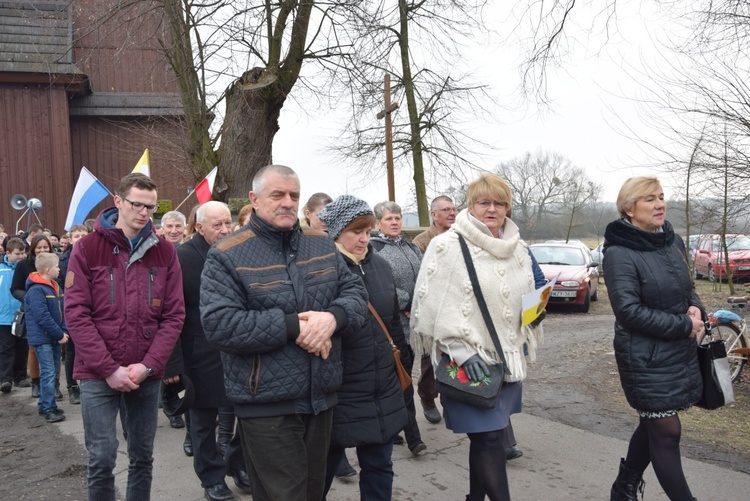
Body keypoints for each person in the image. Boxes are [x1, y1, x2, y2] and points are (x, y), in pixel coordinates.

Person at [200, 164, 368, 501]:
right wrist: (295, 326)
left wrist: (332, 319)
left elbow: (356, 295)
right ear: (255, 199)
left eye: (294, 195)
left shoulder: (320, 243)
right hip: (265, 404)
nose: (287, 202)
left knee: (313, 493)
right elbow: (221, 325)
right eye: (278, 194)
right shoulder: (226, 254)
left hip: (320, 398)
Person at [410, 174, 544, 501]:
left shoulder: (519, 248)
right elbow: (430, 308)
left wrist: (533, 313)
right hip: (466, 363)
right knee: (489, 440)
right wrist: (461, 351)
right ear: (470, 206)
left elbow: (530, 294)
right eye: (483, 202)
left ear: (508, 209)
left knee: (491, 439)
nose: (491, 209)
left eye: (499, 203)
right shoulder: (447, 246)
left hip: (506, 359)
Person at [64, 173, 185, 501]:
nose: (144, 212)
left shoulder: (164, 252)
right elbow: (76, 313)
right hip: (96, 372)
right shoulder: (87, 248)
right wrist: (108, 369)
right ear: (118, 202)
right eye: (137, 204)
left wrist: (148, 366)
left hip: (146, 372)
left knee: (142, 457)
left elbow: (174, 316)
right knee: (101, 458)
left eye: (151, 206)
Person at [603, 176, 703, 501]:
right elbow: (628, 311)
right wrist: (683, 325)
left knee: (652, 426)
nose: (660, 204)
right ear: (629, 209)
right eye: (650, 199)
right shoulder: (619, 253)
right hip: (644, 357)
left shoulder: (673, 241)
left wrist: (696, 311)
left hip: (678, 353)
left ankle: (623, 487)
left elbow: (689, 289)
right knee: (667, 431)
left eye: (661, 197)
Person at [318, 195, 408, 500]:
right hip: (340, 386)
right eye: (356, 231)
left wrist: (402, 366)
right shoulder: (320, 270)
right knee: (322, 469)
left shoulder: (380, 266)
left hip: (380, 385)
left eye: (368, 230)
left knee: (380, 466)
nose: (363, 238)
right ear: (335, 232)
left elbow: (392, 321)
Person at [163, 201, 251, 501]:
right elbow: (170, 312)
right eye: (218, 225)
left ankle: (238, 465)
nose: (225, 230)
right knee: (202, 422)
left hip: (240, 350)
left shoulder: (240, 252)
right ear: (199, 227)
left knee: (249, 415)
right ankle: (212, 478)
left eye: (228, 223)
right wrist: (172, 363)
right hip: (199, 354)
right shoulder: (182, 259)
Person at [370, 200, 426, 455]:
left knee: (398, 379)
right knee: (403, 382)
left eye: (398, 218)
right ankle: (414, 438)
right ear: (378, 222)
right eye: (389, 219)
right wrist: (406, 302)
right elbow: (382, 286)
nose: (394, 222)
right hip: (392, 326)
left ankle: (390, 427)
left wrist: (421, 303)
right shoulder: (375, 250)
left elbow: (426, 277)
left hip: (415, 325)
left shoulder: (411, 247)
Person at [411, 195, 456, 424]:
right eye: (446, 209)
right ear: (434, 214)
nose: (451, 213)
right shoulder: (422, 242)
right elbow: (419, 280)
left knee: (454, 355)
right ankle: (427, 396)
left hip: (456, 306)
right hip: (433, 307)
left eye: (453, 209)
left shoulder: (461, 238)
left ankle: (452, 401)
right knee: (430, 357)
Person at [24, 252, 69, 423]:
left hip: (55, 337)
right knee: (49, 372)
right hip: (43, 338)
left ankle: (46, 403)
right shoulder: (36, 290)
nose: (60, 269)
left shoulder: (55, 287)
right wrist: (59, 334)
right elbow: (42, 316)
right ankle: (48, 407)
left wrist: (63, 331)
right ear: (48, 270)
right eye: (57, 267)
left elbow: (63, 312)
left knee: (53, 371)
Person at [11, 234, 56, 399]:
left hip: (53, 310)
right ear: (33, 248)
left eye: (46, 247)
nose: (42, 250)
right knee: (33, 347)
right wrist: (31, 297)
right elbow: (15, 288)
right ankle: (36, 383)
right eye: (39, 247)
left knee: (55, 347)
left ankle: (55, 385)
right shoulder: (23, 265)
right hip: (32, 311)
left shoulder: (55, 263)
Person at [57, 224, 89, 405]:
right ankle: (72, 386)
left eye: (83, 235)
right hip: (71, 310)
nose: (80, 238)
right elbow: (61, 288)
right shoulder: (63, 261)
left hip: (91, 310)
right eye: (77, 236)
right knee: (72, 351)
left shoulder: (93, 255)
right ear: (70, 239)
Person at [0, 237, 28, 392]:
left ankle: (20, 377)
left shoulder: (23, 268)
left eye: (23, 253)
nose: (21, 256)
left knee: (21, 347)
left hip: (21, 314)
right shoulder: (0, 268)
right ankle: (5, 379)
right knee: (6, 348)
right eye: (18, 254)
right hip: (3, 317)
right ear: (8, 252)